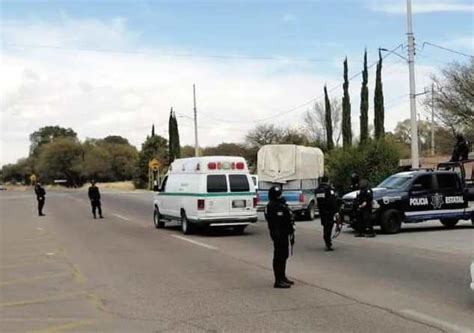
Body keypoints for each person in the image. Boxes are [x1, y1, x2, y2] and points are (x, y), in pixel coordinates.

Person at [264, 186, 295, 289]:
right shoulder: (271, 206)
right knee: (279, 256)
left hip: (284, 233)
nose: (280, 196)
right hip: (278, 234)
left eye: (280, 194)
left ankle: (283, 276)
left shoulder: (282, 204)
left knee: (284, 255)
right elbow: (274, 222)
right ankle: (278, 280)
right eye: (277, 195)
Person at [315, 176, 339, 251]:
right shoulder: (329, 189)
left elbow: (318, 200)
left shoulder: (317, 190)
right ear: (328, 181)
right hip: (329, 211)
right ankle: (328, 243)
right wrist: (336, 211)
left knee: (325, 226)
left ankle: (327, 242)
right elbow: (332, 201)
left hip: (322, 211)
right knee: (329, 227)